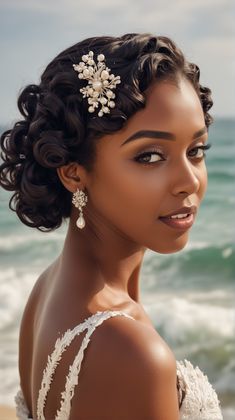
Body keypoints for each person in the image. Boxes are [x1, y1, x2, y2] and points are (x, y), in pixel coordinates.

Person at [0, 33, 223, 419]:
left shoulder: (48, 290)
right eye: (150, 155)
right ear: (73, 173)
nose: (189, 180)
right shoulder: (131, 352)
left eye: (195, 150)